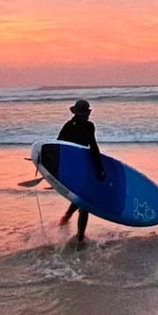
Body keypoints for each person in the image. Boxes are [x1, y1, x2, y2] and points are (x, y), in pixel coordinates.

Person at [56, 99, 105, 244]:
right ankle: (80, 236)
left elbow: (59, 145)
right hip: (78, 168)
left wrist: (99, 168)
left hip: (76, 167)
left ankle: (68, 218)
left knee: (82, 198)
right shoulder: (80, 126)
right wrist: (99, 169)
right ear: (80, 113)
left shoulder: (77, 125)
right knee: (85, 200)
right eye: (85, 113)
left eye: (87, 113)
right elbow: (93, 147)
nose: (87, 115)